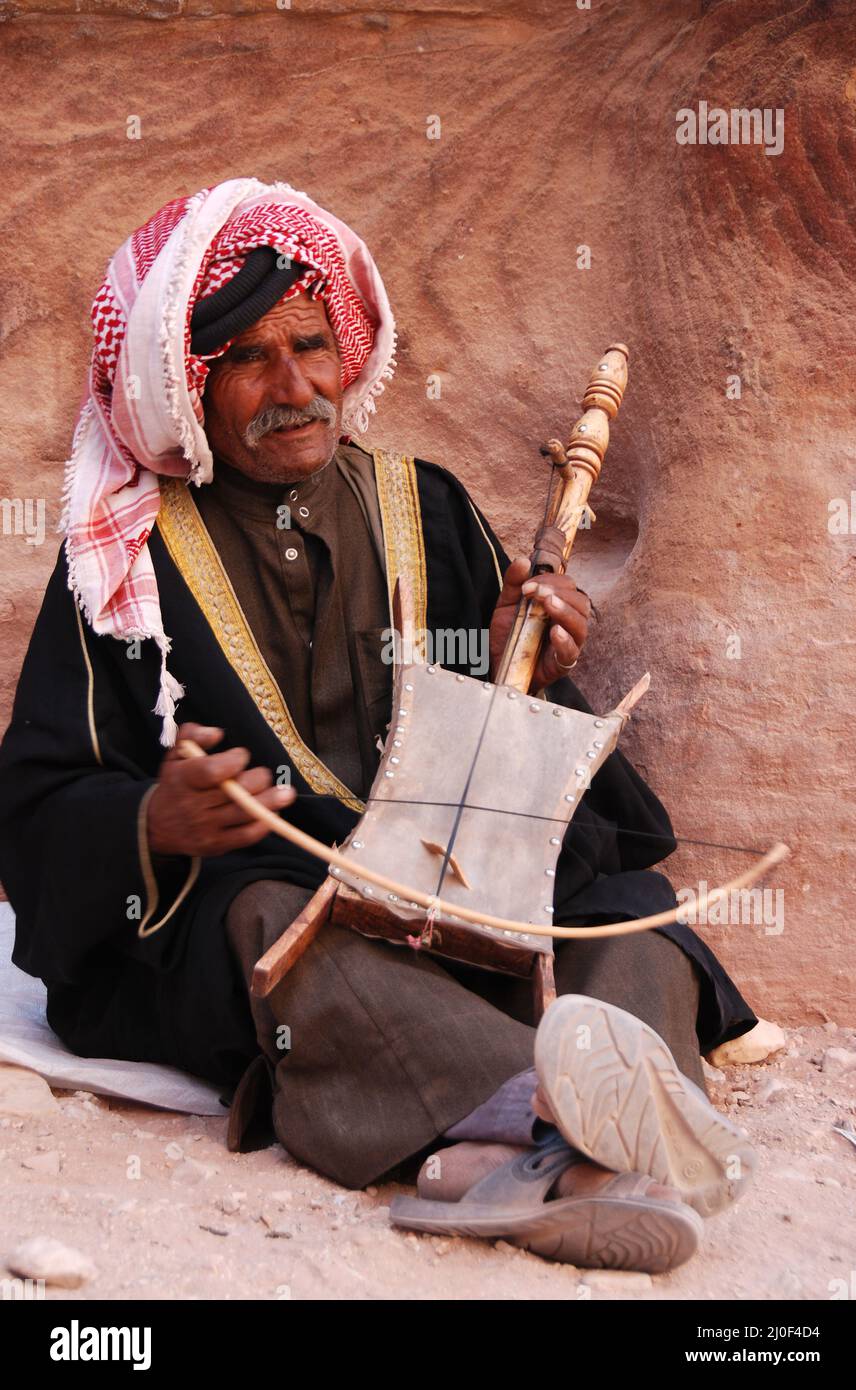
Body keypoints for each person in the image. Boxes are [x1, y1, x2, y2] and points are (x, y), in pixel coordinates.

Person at [0, 178, 758, 1273]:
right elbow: (37, 802)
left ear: (347, 351)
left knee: (624, 911)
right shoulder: (130, 562)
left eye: (311, 345)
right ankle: (569, 1122)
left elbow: (542, 786)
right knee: (266, 916)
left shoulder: (427, 506)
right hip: (306, 930)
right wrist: (157, 823)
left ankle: (538, 1145)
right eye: (249, 359)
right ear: (191, 386)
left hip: (468, 902)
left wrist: (526, 675)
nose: (294, 385)